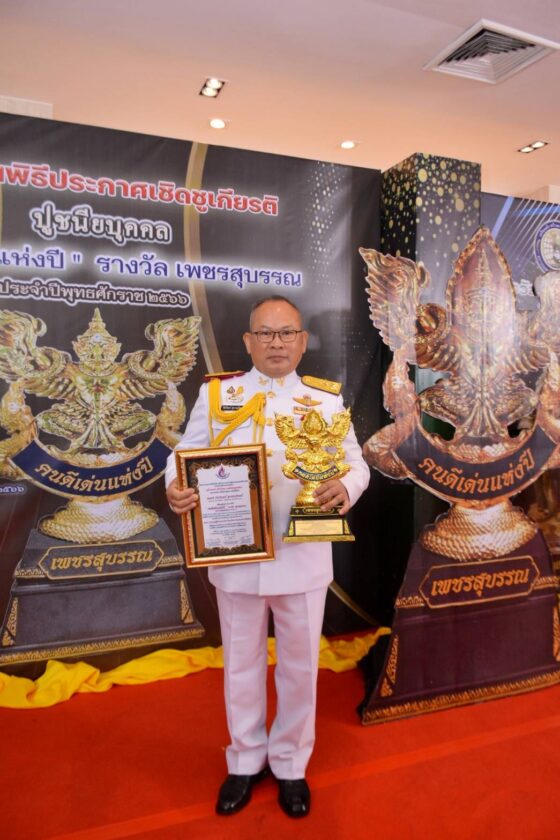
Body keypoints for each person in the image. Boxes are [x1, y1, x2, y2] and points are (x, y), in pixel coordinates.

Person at [166, 295, 370, 818]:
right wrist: (176, 487)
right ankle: (245, 758)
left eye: (286, 333)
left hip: (303, 556)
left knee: (300, 668)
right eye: (265, 333)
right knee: (241, 664)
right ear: (248, 341)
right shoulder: (219, 394)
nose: (276, 343)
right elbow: (183, 455)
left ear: (301, 341)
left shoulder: (325, 401)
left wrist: (346, 487)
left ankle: (291, 764)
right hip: (236, 554)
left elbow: (356, 462)